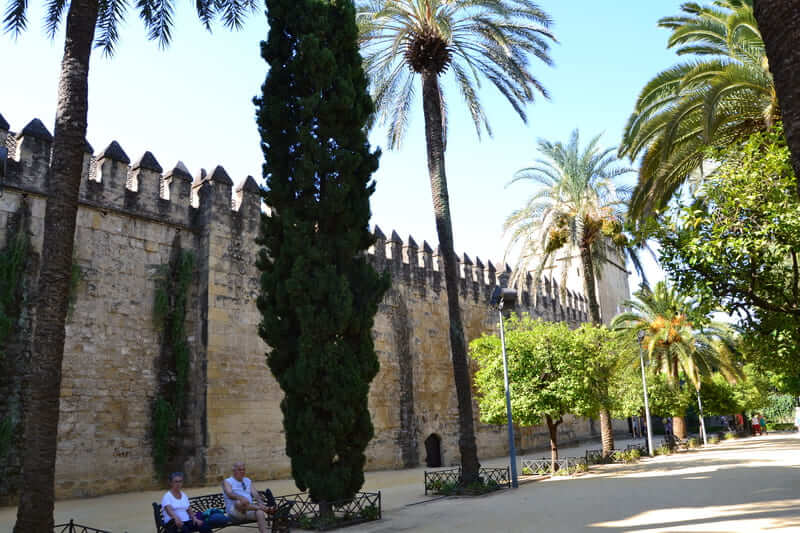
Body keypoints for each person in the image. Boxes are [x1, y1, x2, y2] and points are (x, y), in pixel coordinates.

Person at [222, 462, 275, 533]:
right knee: (239, 502)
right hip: (235, 512)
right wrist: (241, 498)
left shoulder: (247, 480)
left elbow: (255, 494)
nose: (242, 471)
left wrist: (260, 501)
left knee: (259, 512)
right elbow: (229, 493)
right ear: (234, 471)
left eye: (243, 469)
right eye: (239, 470)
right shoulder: (227, 481)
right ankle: (265, 509)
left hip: (249, 510)